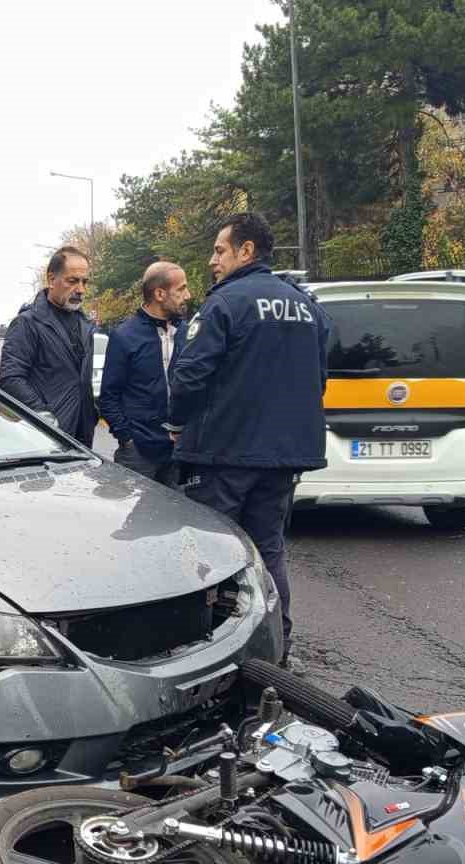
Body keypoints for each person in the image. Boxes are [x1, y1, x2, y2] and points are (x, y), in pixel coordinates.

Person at [167, 213, 328, 665]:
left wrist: (176, 423)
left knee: (212, 552)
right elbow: (318, 376)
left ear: (246, 251)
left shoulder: (225, 304)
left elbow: (189, 377)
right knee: (270, 551)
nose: (212, 260)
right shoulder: (306, 306)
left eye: (220, 250)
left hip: (223, 453)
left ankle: (209, 652)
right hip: (283, 457)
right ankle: (278, 647)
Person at [100, 261, 190, 483]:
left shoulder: (187, 332)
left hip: (180, 451)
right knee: (137, 517)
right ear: (159, 293)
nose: (187, 295)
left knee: (181, 517)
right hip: (139, 454)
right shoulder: (124, 336)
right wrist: (126, 439)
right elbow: (109, 396)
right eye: (181, 289)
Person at [0, 246, 97, 443]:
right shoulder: (27, 323)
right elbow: (10, 379)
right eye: (73, 281)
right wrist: (45, 417)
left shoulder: (84, 325)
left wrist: (93, 413)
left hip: (82, 436)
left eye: (84, 282)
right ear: (52, 280)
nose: (81, 289)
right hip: (46, 437)